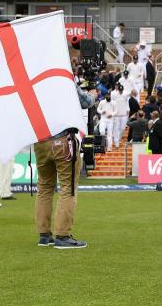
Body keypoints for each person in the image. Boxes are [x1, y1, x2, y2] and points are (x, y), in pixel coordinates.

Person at [34, 85, 96, 248]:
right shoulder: (61, 76)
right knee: (68, 187)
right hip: (62, 140)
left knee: (45, 187)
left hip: (40, 141)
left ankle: (44, 234)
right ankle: (62, 234)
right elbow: (86, 101)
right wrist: (92, 94)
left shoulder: (35, 81)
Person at [111, 83, 129, 149]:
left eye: (122, 90)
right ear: (118, 90)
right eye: (120, 90)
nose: (121, 91)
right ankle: (117, 143)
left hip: (124, 114)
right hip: (116, 114)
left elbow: (127, 102)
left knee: (122, 128)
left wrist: (128, 109)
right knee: (116, 128)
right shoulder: (114, 94)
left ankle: (118, 138)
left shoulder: (125, 94)